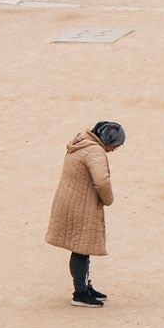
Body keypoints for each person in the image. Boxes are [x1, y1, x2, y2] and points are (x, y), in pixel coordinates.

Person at [46, 121, 125, 307]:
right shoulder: (95, 152)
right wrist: (108, 200)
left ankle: (85, 286)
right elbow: (102, 181)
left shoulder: (81, 144)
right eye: (115, 145)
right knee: (81, 249)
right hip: (81, 206)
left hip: (71, 202)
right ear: (108, 140)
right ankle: (80, 293)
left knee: (81, 248)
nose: (114, 149)